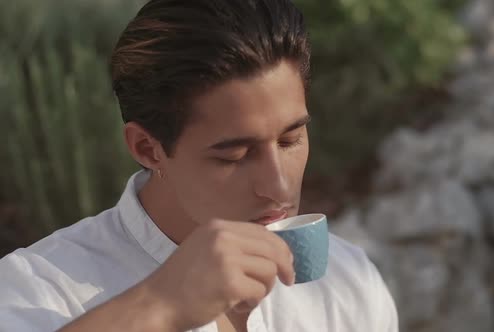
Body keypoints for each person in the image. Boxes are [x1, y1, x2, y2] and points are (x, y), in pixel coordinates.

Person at [0, 0, 398, 331]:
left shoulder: (347, 280)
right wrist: (158, 305)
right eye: (235, 156)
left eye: (290, 139)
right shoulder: (37, 291)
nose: (277, 187)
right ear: (148, 148)